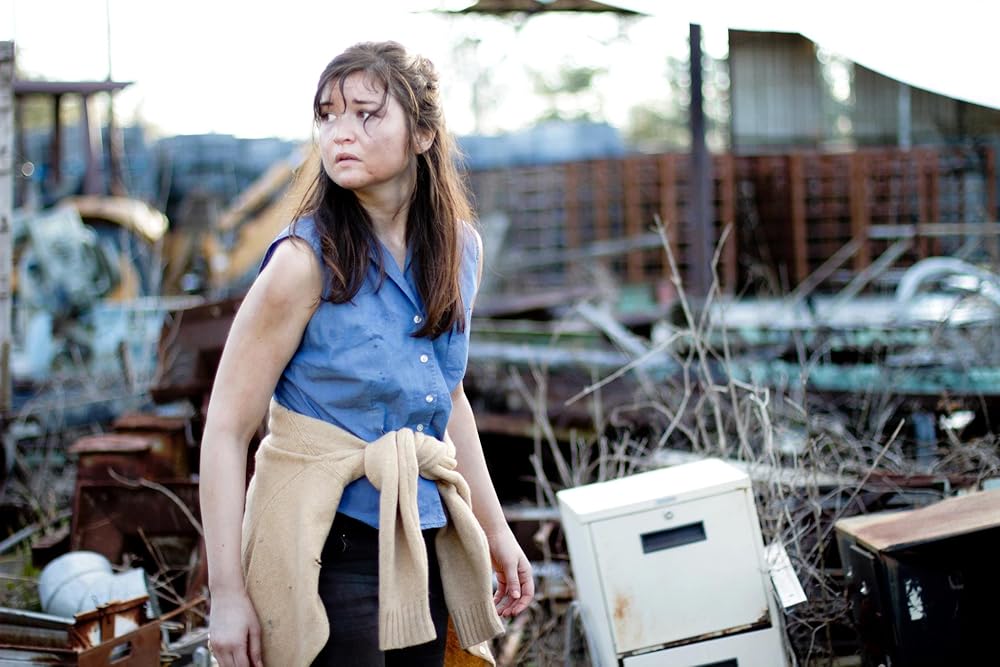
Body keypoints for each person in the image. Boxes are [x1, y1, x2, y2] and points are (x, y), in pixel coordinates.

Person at [199, 41, 534, 667]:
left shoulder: (460, 250)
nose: (339, 134)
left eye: (365, 114)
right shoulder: (301, 263)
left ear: (423, 134)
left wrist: (495, 530)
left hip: (424, 533)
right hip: (323, 547)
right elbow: (226, 429)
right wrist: (227, 595)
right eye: (327, 116)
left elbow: (449, 397)